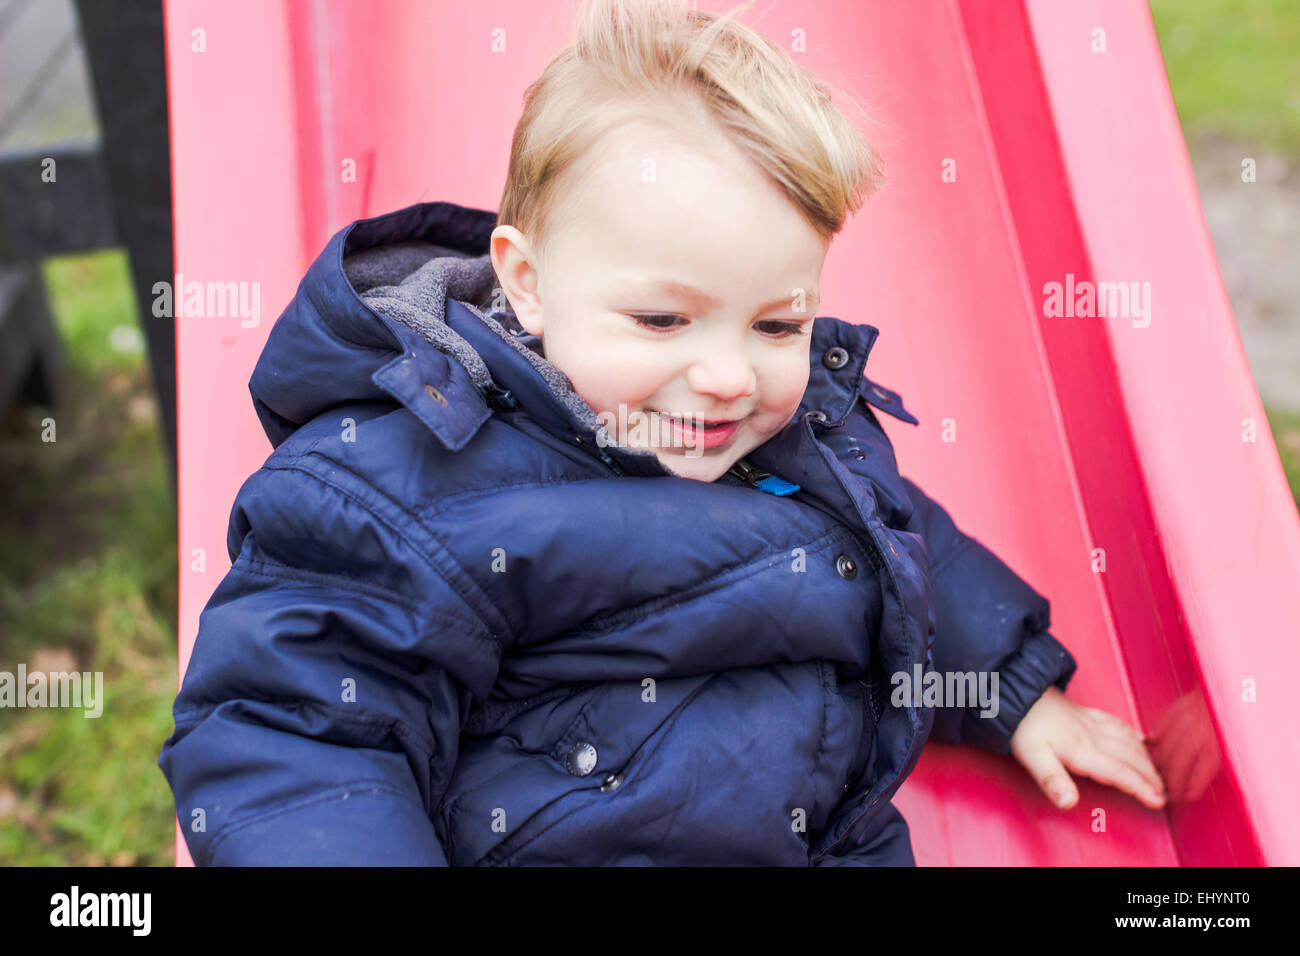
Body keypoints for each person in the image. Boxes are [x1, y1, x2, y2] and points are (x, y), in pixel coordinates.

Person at [158, 0, 1165, 866]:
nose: (729, 374)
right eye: (662, 320)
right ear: (528, 282)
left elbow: (906, 547)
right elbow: (295, 734)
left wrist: (1011, 687)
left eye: (778, 323)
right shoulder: (413, 484)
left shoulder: (797, 436)